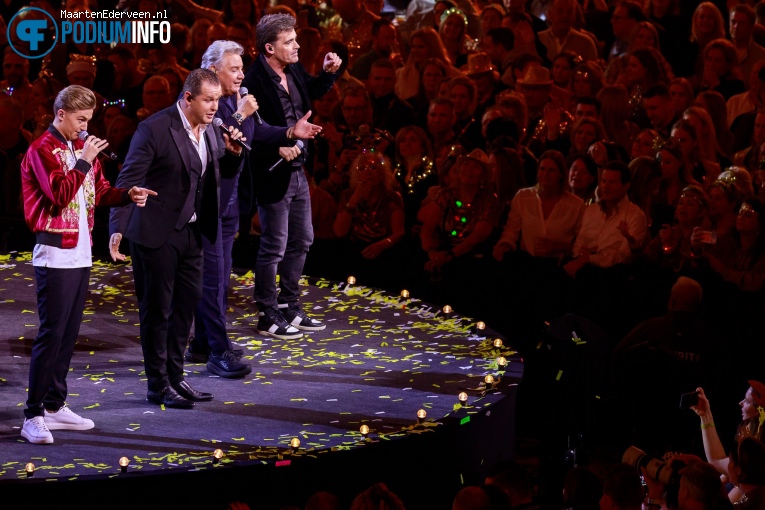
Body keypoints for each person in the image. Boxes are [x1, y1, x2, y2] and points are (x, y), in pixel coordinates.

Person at [19, 85, 154, 443]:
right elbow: (60, 196)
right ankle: (32, 414)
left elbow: (101, 190)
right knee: (51, 334)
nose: (84, 128)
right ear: (60, 114)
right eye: (80, 120)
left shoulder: (81, 150)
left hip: (80, 253)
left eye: (88, 121)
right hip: (54, 254)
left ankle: (54, 404)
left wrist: (127, 194)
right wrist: (83, 159)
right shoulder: (41, 150)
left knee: (67, 335)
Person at [109, 69, 247, 409]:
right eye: (209, 100)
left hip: (192, 233)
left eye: (218, 99)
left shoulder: (213, 130)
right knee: (158, 311)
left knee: (186, 308)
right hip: (155, 233)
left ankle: (175, 377)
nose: (216, 107)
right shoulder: (154, 128)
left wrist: (232, 154)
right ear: (188, 99)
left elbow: (217, 177)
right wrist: (117, 228)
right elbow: (128, 179)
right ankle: (157, 384)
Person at [186, 40, 322, 377]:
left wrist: (290, 131)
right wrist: (239, 113)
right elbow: (211, 141)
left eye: (241, 68)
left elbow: (256, 132)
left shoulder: (236, 98)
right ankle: (217, 351)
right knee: (214, 281)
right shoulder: (198, 100)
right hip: (207, 205)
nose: (241, 74)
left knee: (221, 279)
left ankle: (202, 342)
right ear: (212, 71)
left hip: (232, 201)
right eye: (233, 69)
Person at [241, 14, 341, 339]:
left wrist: (328, 74)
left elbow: (309, 91)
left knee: (304, 239)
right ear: (269, 47)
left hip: (298, 170)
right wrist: (282, 142)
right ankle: (267, 312)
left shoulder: (292, 68)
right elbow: (251, 130)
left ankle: (289, 305)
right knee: (274, 245)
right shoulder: (254, 79)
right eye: (289, 42)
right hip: (273, 171)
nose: (297, 46)